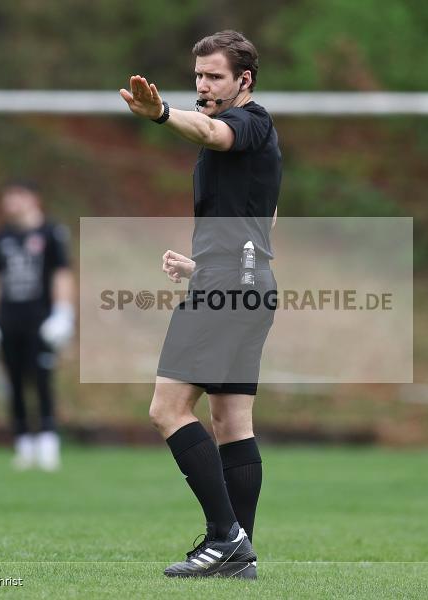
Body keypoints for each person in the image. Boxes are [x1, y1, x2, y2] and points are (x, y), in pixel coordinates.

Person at [120, 30, 281, 579]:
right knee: (232, 420)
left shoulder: (249, 123)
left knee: (166, 409)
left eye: (214, 76)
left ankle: (226, 537)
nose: (204, 86)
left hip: (229, 291)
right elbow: (266, 217)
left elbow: (212, 131)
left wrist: (163, 112)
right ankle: (239, 554)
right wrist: (209, 266)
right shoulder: (255, 139)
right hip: (246, 282)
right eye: (198, 77)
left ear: (244, 81)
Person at [0, 180, 76, 472]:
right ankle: (22, 443)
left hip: (40, 320)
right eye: (8, 197)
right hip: (9, 319)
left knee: (41, 379)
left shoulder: (51, 233)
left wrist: (63, 312)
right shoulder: (2, 236)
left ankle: (47, 441)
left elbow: (62, 273)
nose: (11, 203)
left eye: (17, 196)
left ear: (33, 199)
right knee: (14, 382)